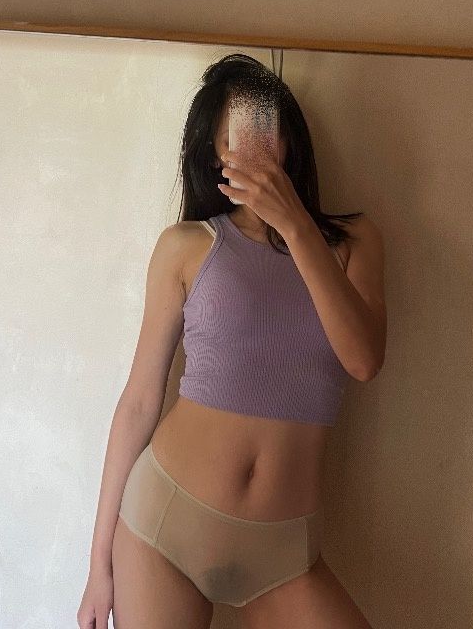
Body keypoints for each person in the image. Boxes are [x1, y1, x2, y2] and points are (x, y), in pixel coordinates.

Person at [77, 54, 386, 629]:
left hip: (285, 554)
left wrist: (294, 224)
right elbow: (139, 402)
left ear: (290, 140)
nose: (251, 151)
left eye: (265, 132)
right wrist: (98, 566)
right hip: (164, 528)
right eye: (233, 137)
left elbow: (364, 360)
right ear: (214, 153)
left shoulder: (353, 242)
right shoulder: (187, 244)